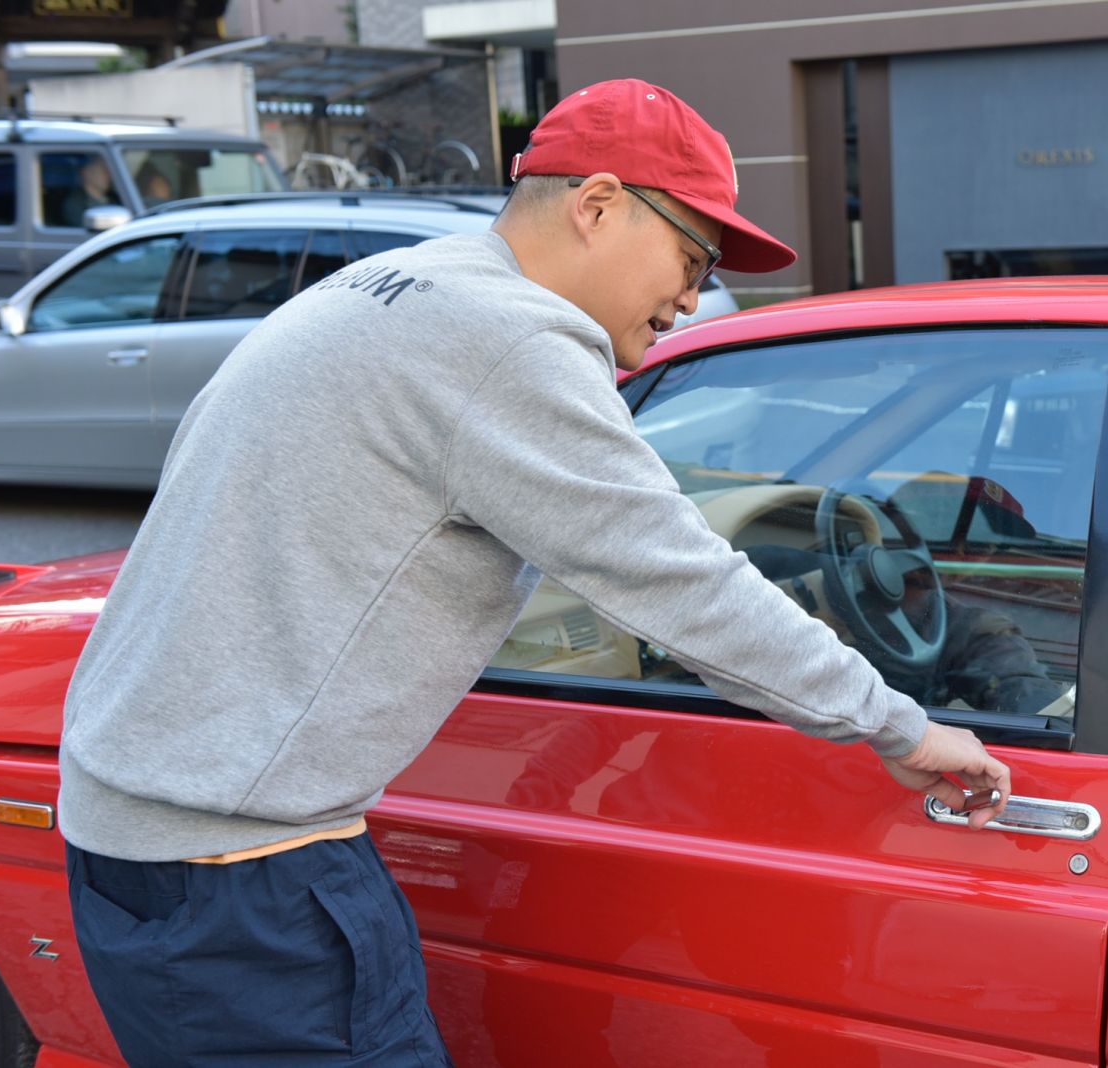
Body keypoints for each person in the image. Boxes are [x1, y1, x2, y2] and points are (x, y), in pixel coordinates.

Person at [57, 79, 1012, 1065]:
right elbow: (681, 586)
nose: (690, 298)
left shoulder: (395, 285)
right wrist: (901, 726)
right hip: (239, 877)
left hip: (152, 836)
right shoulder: (507, 340)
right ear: (596, 205)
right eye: (690, 257)